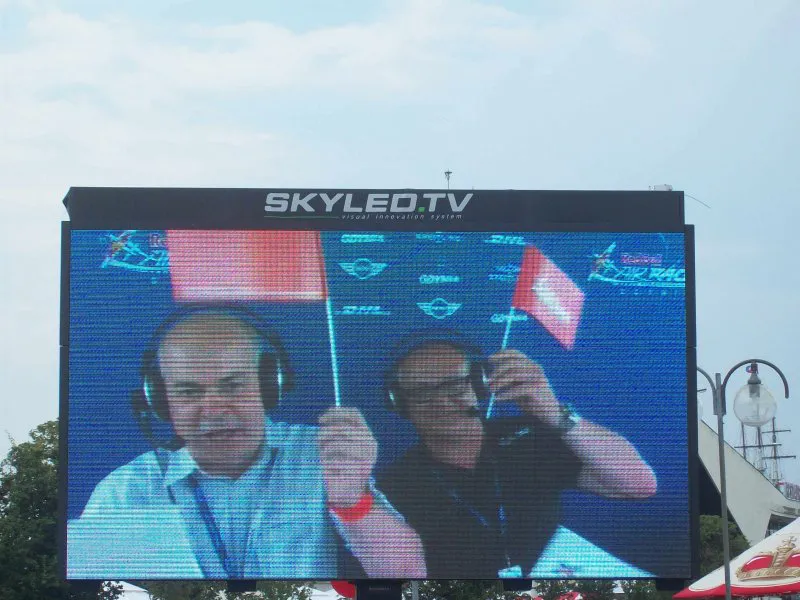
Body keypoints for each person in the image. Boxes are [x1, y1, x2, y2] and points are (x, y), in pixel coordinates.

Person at [68, 307, 425, 580]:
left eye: (233, 386)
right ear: (160, 402)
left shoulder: (322, 454)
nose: (213, 410)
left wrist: (352, 500)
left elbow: (406, 572)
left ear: (270, 386)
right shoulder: (126, 491)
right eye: (189, 392)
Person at [377, 331, 657, 579]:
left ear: (479, 386)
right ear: (400, 404)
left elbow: (638, 484)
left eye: (454, 386)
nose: (441, 402)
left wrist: (555, 414)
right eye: (422, 392)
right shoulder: (395, 484)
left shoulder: (528, 437)